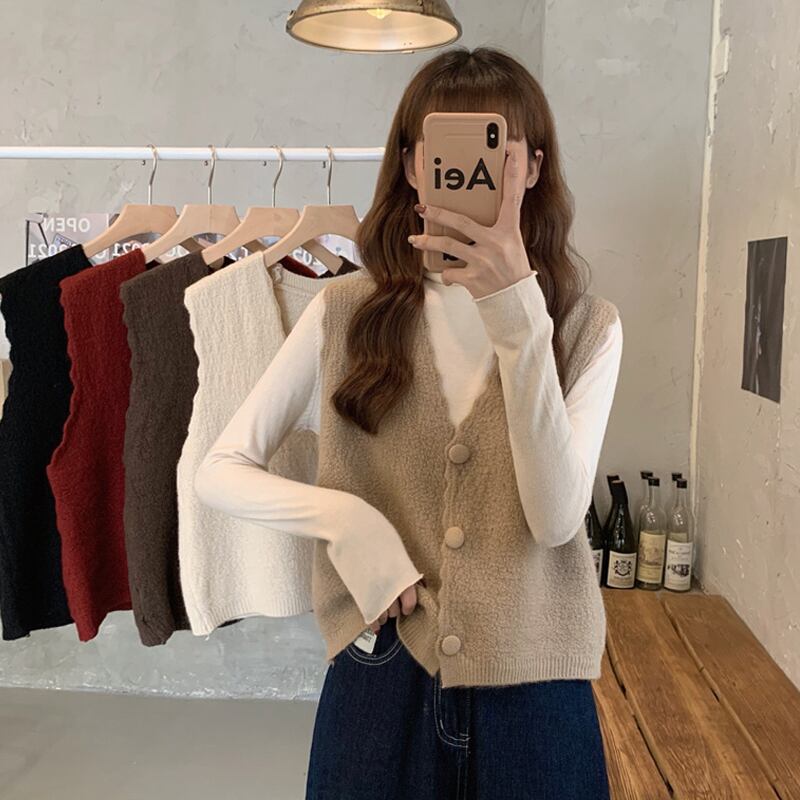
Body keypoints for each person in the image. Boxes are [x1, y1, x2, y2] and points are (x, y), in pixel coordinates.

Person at [195, 45, 622, 800]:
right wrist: (348, 522)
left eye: (496, 151)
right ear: (415, 168)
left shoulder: (586, 328)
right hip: (382, 667)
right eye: (444, 153)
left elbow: (557, 520)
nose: (470, 174)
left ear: (530, 168)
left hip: (536, 691)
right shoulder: (344, 313)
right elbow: (219, 470)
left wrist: (518, 313)